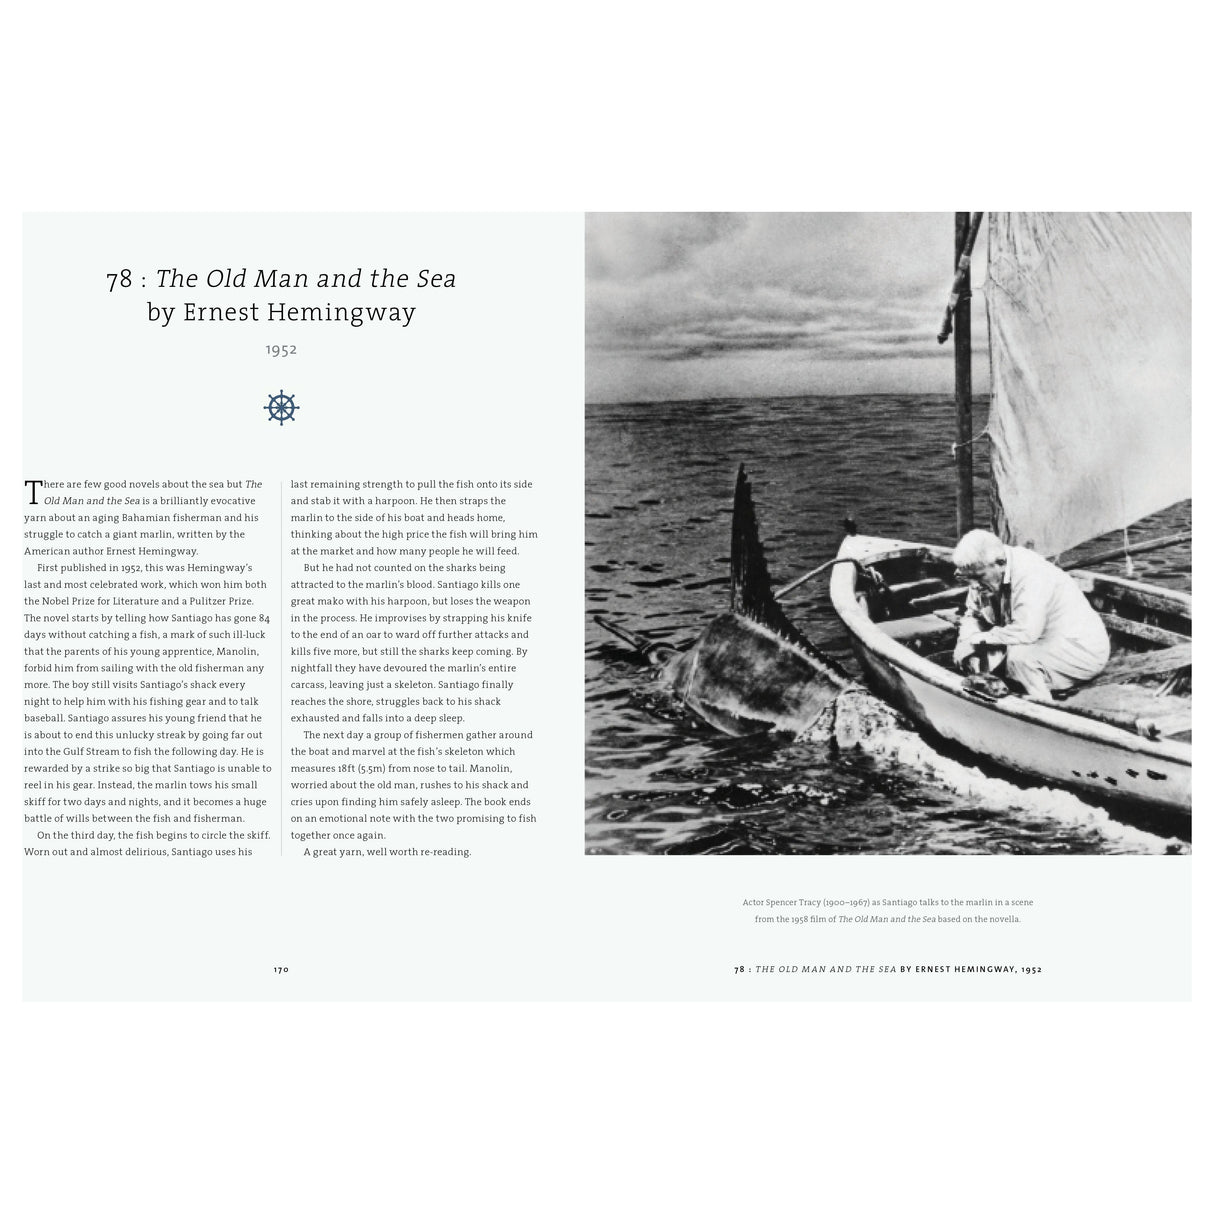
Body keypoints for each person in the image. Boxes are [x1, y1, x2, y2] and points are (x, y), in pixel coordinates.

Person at [951, 529, 1109, 702]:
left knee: (1020, 659)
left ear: (1001, 563)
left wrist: (977, 641)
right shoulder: (983, 571)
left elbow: (1026, 632)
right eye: (968, 579)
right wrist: (966, 640)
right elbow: (973, 615)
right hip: (1039, 643)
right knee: (980, 653)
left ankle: (1043, 707)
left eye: (978, 577)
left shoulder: (1030, 574)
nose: (973, 586)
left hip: (1082, 649)